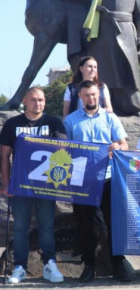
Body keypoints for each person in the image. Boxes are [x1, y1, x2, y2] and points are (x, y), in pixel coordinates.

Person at [48, 0, 140, 116]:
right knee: (105, 72)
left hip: (125, 31)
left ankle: (133, 107)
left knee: (129, 73)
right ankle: (107, 105)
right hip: (102, 34)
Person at [63, 80, 132, 282]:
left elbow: (124, 144)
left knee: (113, 222)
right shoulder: (70, 121)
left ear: (99, 95)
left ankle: (118, 263)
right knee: (85, 224)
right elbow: (65, 150)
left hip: (109, 177)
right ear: (80, 97)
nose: (91, 98)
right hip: (82, 179)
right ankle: (89, 265)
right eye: (87, 95)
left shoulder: (110, 118)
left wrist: (118, 148)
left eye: (94, 95)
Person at [0, 87, 66, 284]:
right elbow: (4, 155)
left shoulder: (53, 122)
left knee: (47, 226)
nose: (38, 103)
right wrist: (6, 182)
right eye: (34, 100)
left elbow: (63, 151)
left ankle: (49, 263)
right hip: (21, 185)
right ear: (25, 102)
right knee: (20, 227)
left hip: (46, 185)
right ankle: (19, 266)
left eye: (41, 100)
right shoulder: (13, 124)